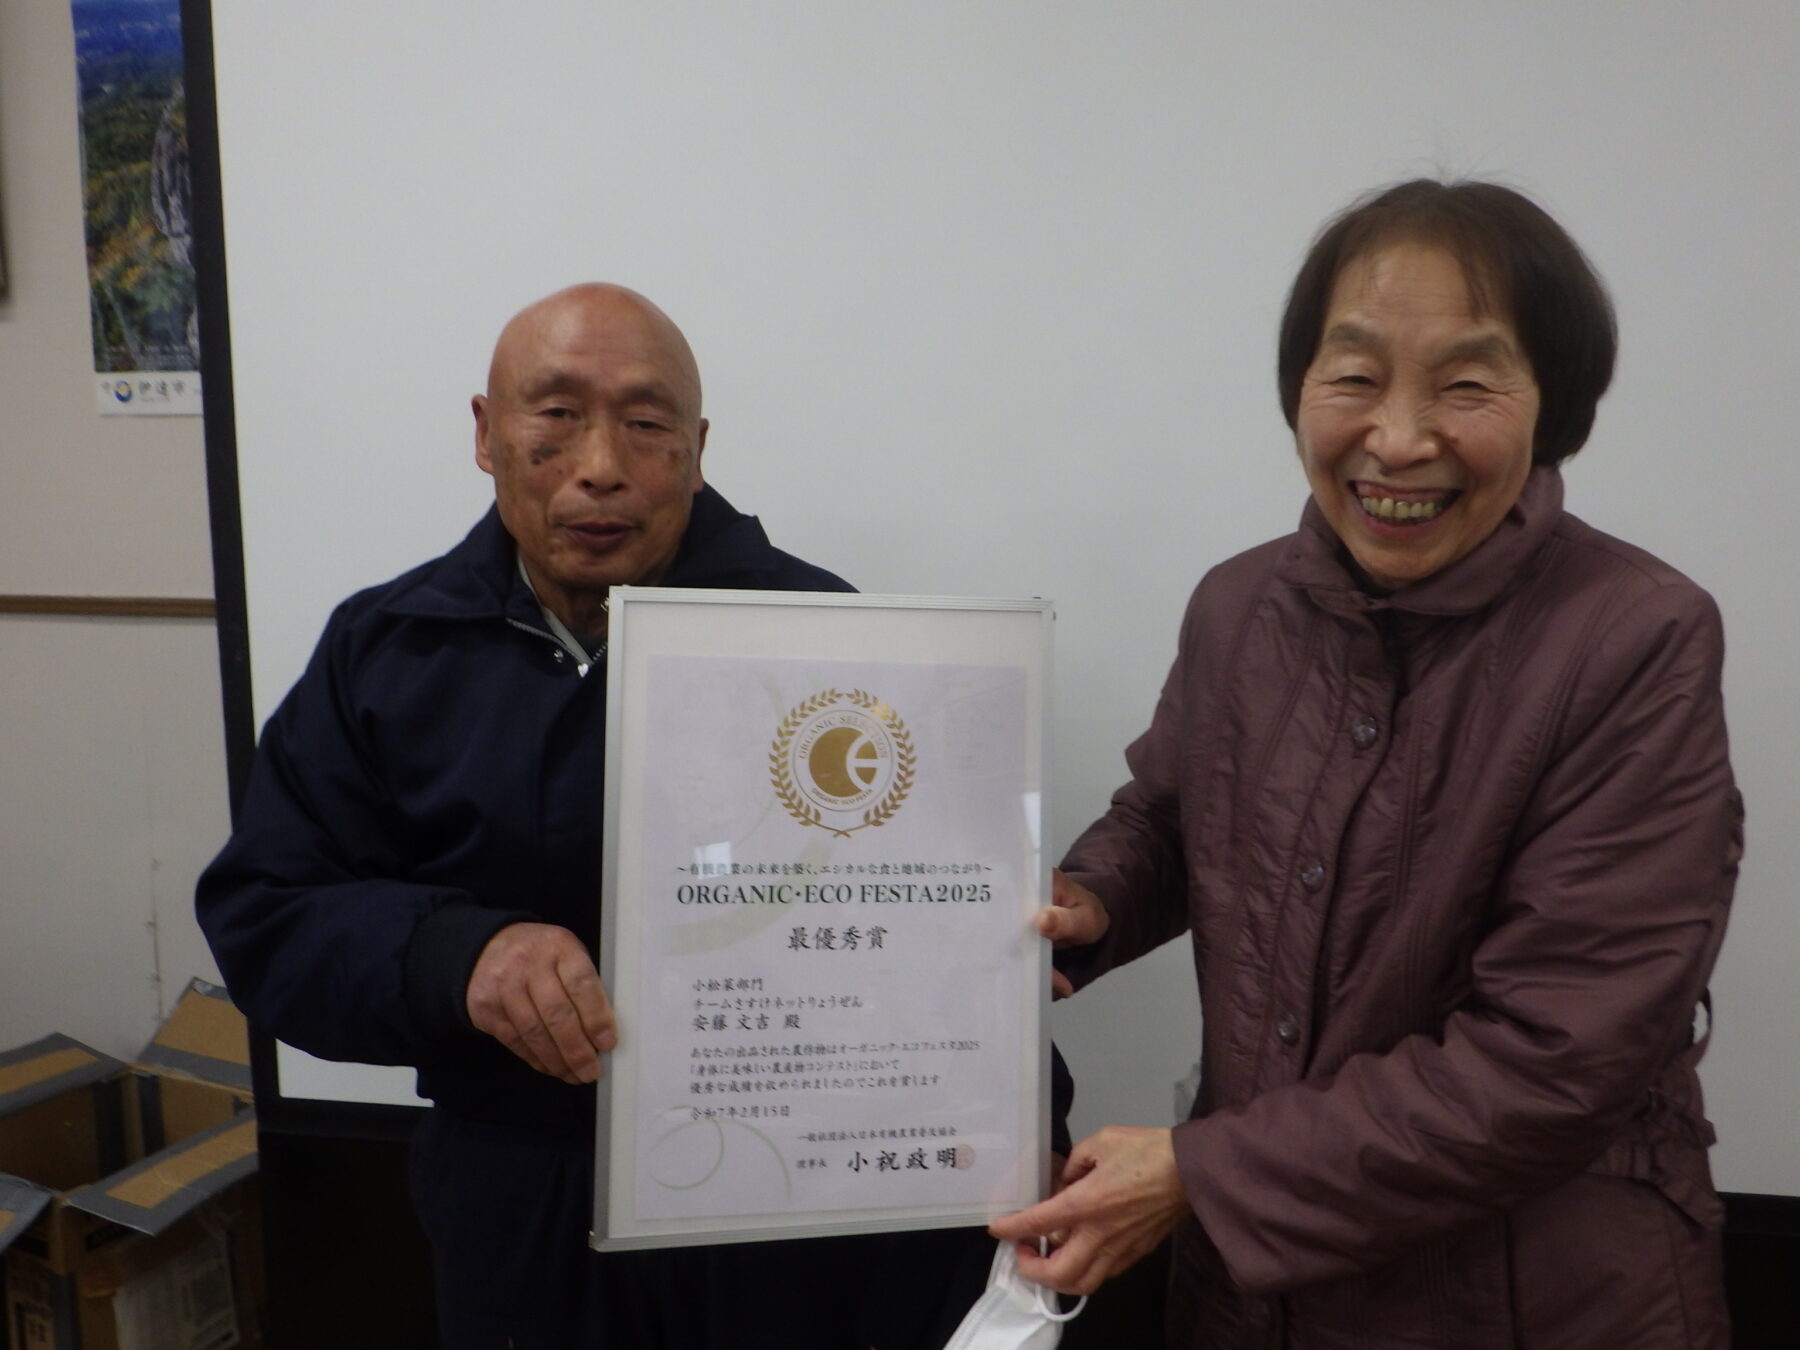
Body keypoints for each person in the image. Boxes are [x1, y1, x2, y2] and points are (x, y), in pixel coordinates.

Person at [992, 181, 1740, 1349]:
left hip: (1530, 1296)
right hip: (1256, 1301)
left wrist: (1205, 1172)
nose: (1397, 437)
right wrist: (1091, 902)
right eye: (1354, 376)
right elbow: (1178, 815)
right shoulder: (1240, 607)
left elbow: (1558, 1051)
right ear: (1300, 390)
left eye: (1466, 383)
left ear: (1554, 403)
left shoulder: (1635, 637)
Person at [196, 283, 995, 1348]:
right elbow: (270, 910)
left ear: (698, 447)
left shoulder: (826, 644)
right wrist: (456, 954)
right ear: (486, 433)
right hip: (516, 1193)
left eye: (648, 424)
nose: (602, 463)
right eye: (557, 414)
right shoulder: (388, 651)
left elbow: (930, 929)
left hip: (782, 1209)